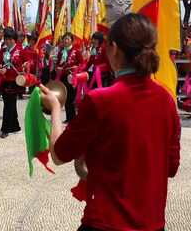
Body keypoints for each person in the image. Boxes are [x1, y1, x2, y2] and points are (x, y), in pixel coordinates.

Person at [41, 13, 181, 231]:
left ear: (114, 48)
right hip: (152, 223)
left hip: (106, 222)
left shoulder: (100, 100)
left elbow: (58, 155)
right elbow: (171, 167)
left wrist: (56, 107)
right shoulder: (167, 100)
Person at [0, 28, 24, 138]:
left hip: (15, 81)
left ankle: (5, 129)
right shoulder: (2, 51)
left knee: (9, 105)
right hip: (4, 81)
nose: (7, 41)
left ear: (14, 39)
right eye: (6, 39)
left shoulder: (20, 50)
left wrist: (25, 67)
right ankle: (15, 127)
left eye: (10, 39)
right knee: (10, 104)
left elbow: (29, 62)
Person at [56, 32, 83, 123]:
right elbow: (57, 64)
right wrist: (57, 68)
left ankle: (73, 118)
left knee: (72, 97)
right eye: (64, 39)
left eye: (68, 39)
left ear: (72, 41)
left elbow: (82, 64)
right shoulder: (61, 52)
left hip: (72, 77)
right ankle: (69, 117)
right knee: (66, 97)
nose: (66, 41)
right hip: (63, 77)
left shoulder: (76, 51)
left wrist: (76, 68)